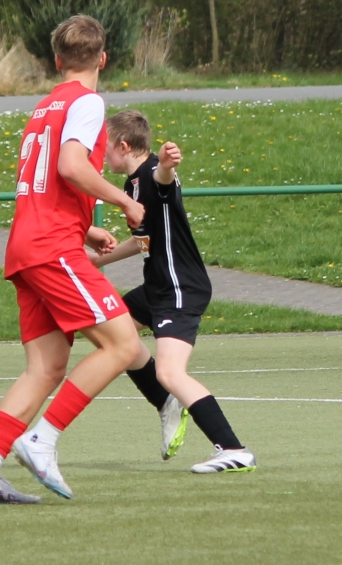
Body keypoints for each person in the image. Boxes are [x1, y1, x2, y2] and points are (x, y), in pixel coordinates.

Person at [0, 15, 146, 504]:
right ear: (103, 59)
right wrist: (124, 202)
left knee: (45, 369)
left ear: (57, 60)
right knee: (123, 344)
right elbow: (70, 166)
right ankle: (42, 439)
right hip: (51, 248)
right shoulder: (87, 102)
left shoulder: (44, 108)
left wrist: (86, 227)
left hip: (28, 245)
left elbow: (45, 183)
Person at [92, 110, 256, 473]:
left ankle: (233, 448)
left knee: (170, 371)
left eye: (105, 147)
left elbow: (164, 179)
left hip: (179, 288)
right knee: (109, 329)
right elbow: (144, 241)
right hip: (157, 286)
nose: (101, 154)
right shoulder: (131, 184)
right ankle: (166, 402)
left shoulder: (152, 174)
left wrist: (167, 163)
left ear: (122, 146)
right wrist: (96, 262)